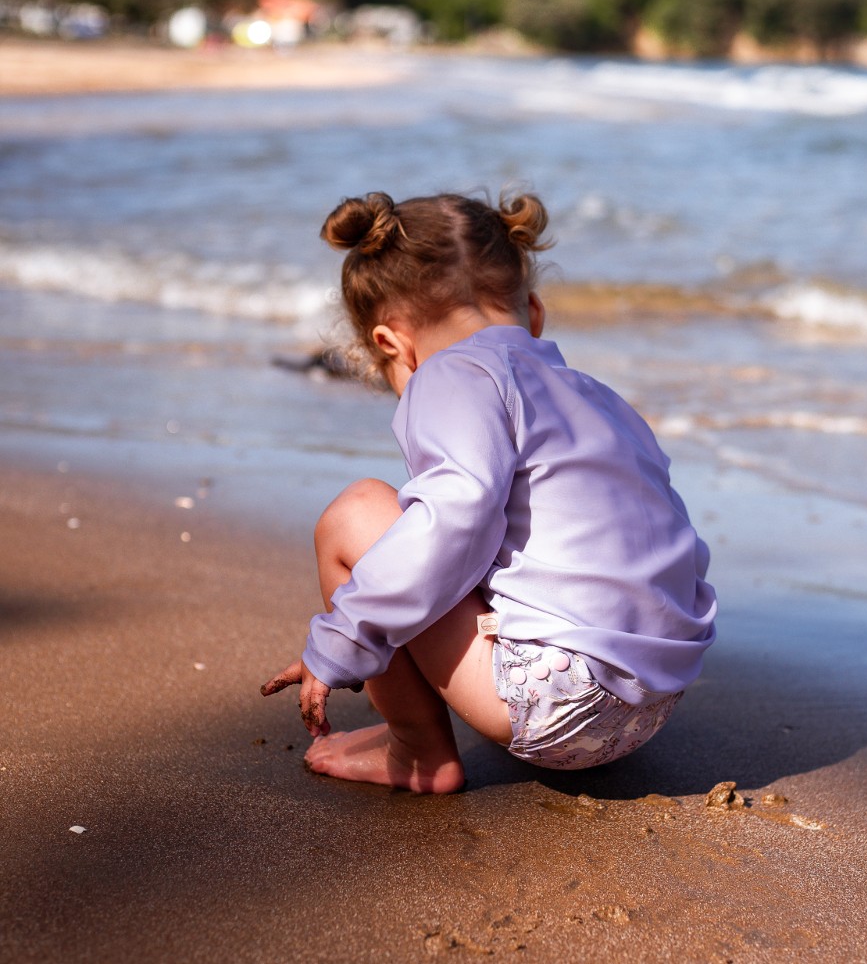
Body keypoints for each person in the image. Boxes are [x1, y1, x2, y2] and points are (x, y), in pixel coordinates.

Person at [261, 190, 717, 794]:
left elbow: (457, 517)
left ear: (391, 343)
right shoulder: (594, 394)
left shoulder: (450, 374)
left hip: (562, 706)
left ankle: (417, 750)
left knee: (358, 514)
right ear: (532, 313)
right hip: (654, 699)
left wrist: (346, 635)